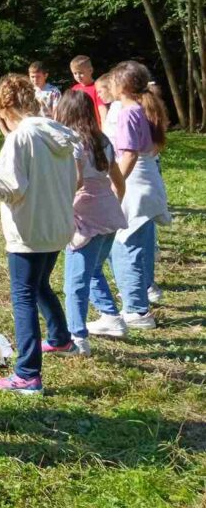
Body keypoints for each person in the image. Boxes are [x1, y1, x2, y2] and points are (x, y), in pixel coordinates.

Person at [0, 74, 78, 394]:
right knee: (39, 285)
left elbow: (3, 183)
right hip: (56, 228)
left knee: (24, 295)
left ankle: (28, 374)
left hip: (29, 233)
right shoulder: (57, 133)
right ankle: (60, 339)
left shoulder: (21, 138)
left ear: (2, 109)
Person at [55, 91, 127, 350]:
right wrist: (112, 206)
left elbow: (76, 181)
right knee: (94, 269)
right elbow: (118, 181)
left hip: (85, 217)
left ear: (65, 112)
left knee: (74, 283)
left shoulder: (72, 142)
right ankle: (111, 316)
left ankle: (77, 337)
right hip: (109, 213)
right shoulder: (102, 140)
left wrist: (59, 205)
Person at [107, 61, 171, 330]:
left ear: (122, 85)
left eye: (112, 80)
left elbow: (129, 155)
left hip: (134, 187)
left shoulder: (127, 112)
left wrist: (116, 186)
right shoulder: (143, 107)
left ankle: (136, 309)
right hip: (147, 184)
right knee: (140, 245)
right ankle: (141, 298)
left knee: (124, 245)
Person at [70, 55, 106, 127]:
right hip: (78, 128)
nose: (78, 76)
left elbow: (103, 111)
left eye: (81, 73)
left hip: (95, 128)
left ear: (90, 70)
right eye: (75, 73)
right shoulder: (74, 89)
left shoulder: (97, 88)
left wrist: (104, 128)